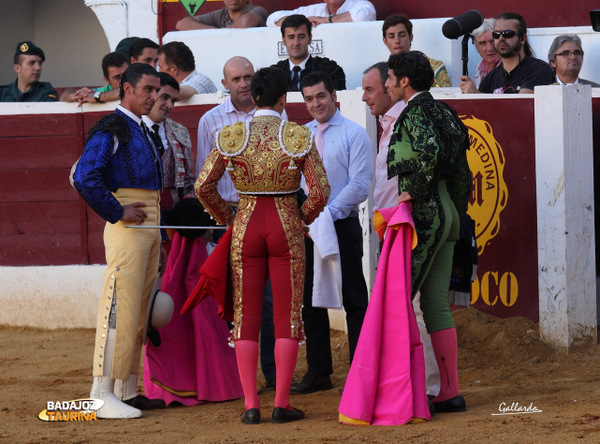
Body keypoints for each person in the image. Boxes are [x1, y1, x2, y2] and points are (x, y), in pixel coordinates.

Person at [195, 67, 330, 424]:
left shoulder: (232, 135)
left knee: (246, 317)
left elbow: (202, 187)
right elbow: (320, 192)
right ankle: (281, 403)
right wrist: (301, 218)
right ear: (284, 98)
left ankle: (251, 405)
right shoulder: (297, 136)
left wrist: (229, 218)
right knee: (287, 316)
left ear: (253, 97)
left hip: (247, 223)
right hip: (285, 223)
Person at [141, 72, 244, 406]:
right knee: (151, 307)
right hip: (148, 229)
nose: (169, 104)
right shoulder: (133, 132)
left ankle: (202, 379)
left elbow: (189, 185)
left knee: (192, 307)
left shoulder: (180, 132)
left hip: (182, 237)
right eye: (163, 98)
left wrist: (188, 219)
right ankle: (154, 382)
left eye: (173, 98)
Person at [72, 63, 168, 419]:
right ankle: (100, 391)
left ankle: (126, 389)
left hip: (149, 224)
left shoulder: (141, 129)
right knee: (118, 306)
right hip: (128, 227)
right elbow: (84, 176)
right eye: (147, 89)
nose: (154, 96)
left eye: (156, 90)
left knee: (139, 309)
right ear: (126, 88)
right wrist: (117, 210)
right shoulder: (111, 127)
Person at [385, 50, 471, 413]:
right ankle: (449, 391)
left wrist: (415, 193)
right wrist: (454, 207)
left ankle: (405, 389)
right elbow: (463, 170)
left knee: (399, 299)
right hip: (450, 212)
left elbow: (430, 152)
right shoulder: (446, 111)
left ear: (405, 81)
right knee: (436, 304)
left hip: (427, 214)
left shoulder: (416, 112)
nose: (387, 83)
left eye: (390, 78)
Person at [196, 56, 279, 390]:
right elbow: (204, 178)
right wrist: (224, 219)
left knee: (270, 300)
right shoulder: (210, 121)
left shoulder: (274, 113)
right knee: (234, 300)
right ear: (225, 84)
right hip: (230, 213)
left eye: (249, 77)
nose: (244, 84)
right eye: (237, 79)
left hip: (266, 211)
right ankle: (236, 379)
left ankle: (272, 375)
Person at [362, 62, 440, 402]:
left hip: (406, 224)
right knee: (408, 305)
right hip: (392, 224)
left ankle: (426, 386)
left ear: (391, 86)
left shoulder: (407, 120)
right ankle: (418, 383)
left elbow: (431, 158)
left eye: (371, 89)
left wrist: (415, 195)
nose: (365, 97)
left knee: (413, 305)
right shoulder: (390, 123)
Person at [292, 71, 373, 394]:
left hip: (341, 223)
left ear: (334, 96)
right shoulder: (300, 136)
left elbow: (360, 184)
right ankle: (319, 371)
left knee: (355, 296)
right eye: (309, 98)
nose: (315, 104)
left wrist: (326, 214)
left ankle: (361, 369)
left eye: (320, 96)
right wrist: (310, 219)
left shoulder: (354, 134)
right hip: (310, 228)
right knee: (310, 301)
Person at [460, 12, 554, 94]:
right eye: (496, 35)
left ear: (522, 38)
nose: (501, 38)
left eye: (507, 33)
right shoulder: (489, 79)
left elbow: (522, 106)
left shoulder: (539, 69)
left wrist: (476, 95)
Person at [271, 15, 346, 92]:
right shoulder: (273, 75)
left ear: (310, 39)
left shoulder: (330, 70)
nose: (296, 43)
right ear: (284, 41)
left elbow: (338, 102)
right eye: (291, 37)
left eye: (301, 37)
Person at [382, 14, 451, 88]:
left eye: (402, 35)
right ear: (385, 41)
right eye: (391, 37)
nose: (397, 41)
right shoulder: (381, 72)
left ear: (410, 37)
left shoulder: (434, 68)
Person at [60, 51, 129, 104]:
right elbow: (63, 96)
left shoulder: (137, 82)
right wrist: (76, 95)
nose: (122, 80)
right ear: (107, 80)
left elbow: (126, 91)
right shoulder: (104, 90)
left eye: (125, 74)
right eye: (117, 77)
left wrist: (97, 97)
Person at [267, 0, 376, 28]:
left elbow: (361, 16)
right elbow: (272, 19)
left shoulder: (360, 4)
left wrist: (326, 20)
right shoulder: (313, 10)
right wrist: (302, 22)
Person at [176, 0, 268, 30]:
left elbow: (245, 23)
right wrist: (213, 30)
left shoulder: (258, 10)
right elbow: (181, 24)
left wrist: (220, 33)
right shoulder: (220, 14)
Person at [469, 19, 502, 88]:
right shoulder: (480, 68)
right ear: (476, 47)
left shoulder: (510, 67)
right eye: (483, 43)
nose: (490, 48)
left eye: (492, 41)